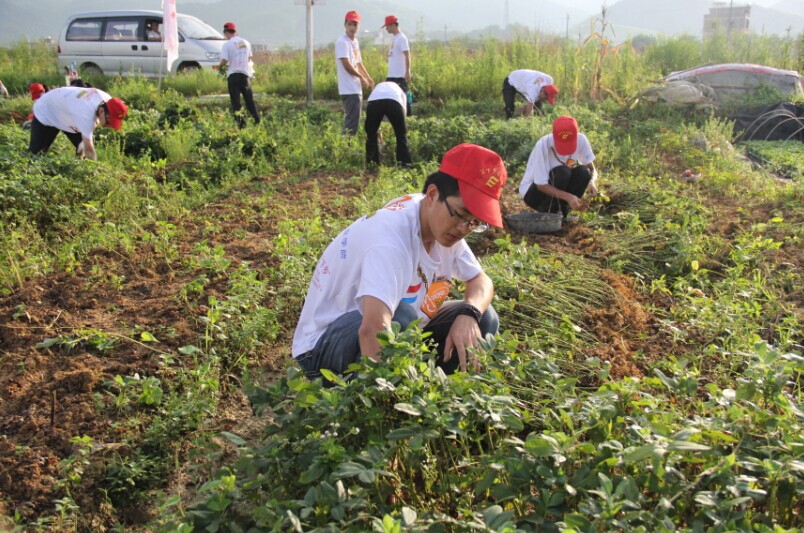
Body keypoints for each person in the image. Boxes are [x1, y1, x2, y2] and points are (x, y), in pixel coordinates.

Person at [292, 143, 507, 379]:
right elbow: (373, 330)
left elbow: (480, 281)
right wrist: (394, 402)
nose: (464, 228)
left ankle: (443, 391)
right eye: (461, 215)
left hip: (392, 330)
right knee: (400, 317)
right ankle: (372, 402)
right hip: (321, 349)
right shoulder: (390, 240)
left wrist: (469, 313)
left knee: (483, 317)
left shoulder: (440, 222)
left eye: (474, 222)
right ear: (433, 195)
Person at [519, 115, 599, 219]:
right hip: (533, 193)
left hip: (558, 187)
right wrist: (568, 197)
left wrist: (592, 182)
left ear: (576, 136)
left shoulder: (581, 140)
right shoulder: (543, 145)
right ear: (553, 136)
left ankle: (562, 211)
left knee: (584, 172)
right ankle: (547, 212)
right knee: (563, 171)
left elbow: (592, 169)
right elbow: (541, 185)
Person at [29, 86, 128, 160]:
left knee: (82, 145)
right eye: (109, 121)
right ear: (102, 111)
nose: (109, 125)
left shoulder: (106, 99)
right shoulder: (86, 116)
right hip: (46, 110)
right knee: (36, 155)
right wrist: (95, 170)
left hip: (67, 109)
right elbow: (90, 151)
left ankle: (76, 168)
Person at [336, 10, 373, 135]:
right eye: (350, 24)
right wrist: (361, 77)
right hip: (349, 88)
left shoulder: (355, 42)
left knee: (354, 120)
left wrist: (368, 77)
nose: (352, 27)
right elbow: (346, 64)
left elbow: (358, 63)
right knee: (351, 121)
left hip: (355, 88)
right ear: (345, 25)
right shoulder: (343, 42)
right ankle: (345, 148)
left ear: (358, 26)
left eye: (355, 24)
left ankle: (346, 147)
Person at [219, 21, 260, 128]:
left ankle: (241, 125)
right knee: (249, 101)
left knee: (236, 103)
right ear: (235, 32)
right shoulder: (245, 43)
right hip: (245, 76)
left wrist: (219, 66)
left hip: (233, 76)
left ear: (226, 32)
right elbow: (249, 59)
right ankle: (257, 122)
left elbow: (224, 61)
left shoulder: (227, 44)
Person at [364, 81, 411, 167]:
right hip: (394, 102)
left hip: (373, 102)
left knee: (371, 136)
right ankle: (404, 164)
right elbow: (402, 115)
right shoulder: (400, 91)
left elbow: (375, 115)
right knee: (401, 136)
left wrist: (376, 128)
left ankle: (372, 164)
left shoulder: (377, 89)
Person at [382, 15, 411, 115]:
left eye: (387, 26)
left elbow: (407, 55)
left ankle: (408, 119)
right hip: (392, 75)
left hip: (399, 76)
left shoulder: (402, 38)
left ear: (393, 25)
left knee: (402, 98)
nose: (386, 29)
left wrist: (407, 72)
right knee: (390, 98)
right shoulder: (395, 39)